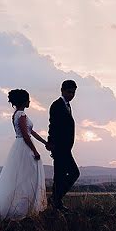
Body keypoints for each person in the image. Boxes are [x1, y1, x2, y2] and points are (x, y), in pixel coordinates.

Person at [0, 88, 48, 220]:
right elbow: (26, 136)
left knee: (20, 178)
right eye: (28, 99)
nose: (30, 101)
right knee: (26, 179)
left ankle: (21, 208)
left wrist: (44, 142)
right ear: (24, 101)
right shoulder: (21, 115)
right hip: (24, 148)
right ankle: (21, 210)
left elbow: (31, 132)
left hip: (19, 146)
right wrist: (35, 151)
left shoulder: (16, 114)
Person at [46, 79, 79, 211]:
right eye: (69, 92)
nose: (71, 95)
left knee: (60, 176)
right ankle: (55, 199)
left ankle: (56, 202)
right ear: (62, 90)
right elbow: (52, 126)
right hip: (59, 148)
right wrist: (51, 143)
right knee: (73, 173)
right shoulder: (57, 105)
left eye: (73, 92)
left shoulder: (68, 105)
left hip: (66, 148)